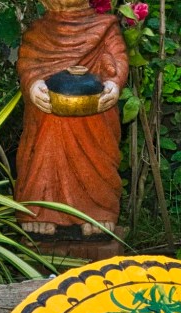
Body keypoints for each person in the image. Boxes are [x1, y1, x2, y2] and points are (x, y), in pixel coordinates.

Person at [15, 0, 129, 237]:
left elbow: (118, 59)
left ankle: (97, 210)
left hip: (94, 119)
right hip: (48, 120)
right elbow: (28, 65)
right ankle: (41, 211)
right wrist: (33, 84)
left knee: (95, 158)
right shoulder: (38, 32)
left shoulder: (105, 27)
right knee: (45, 152)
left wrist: (113, 84)